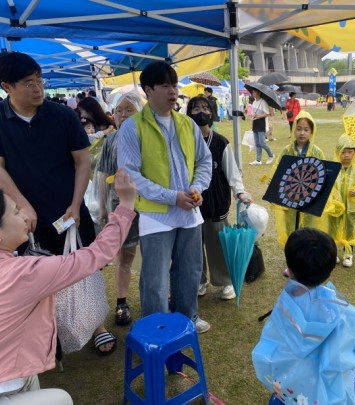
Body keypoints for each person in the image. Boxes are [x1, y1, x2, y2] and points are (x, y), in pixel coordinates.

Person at [0, 51, 116, 355]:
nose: (38, 88)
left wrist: (75, 204)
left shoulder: (62, 115)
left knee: (84, 266)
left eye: (39, 80)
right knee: (33, 274)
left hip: (68, 209)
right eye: (28, 83)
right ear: (7, 86)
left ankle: (97, 324)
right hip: (21, 217)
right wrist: (23, 206)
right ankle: (49, 332)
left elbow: (82, 162)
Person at [0, 168, 136, 404]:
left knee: (32, 381)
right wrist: (125, 204)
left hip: (8, 373)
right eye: (15, 212)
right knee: (61, 399)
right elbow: (97, 254)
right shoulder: (23, 274)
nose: (24, 216)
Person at [117, 61, 212, 333]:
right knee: (155, 280)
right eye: (165, 86)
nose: (173, 91)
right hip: (156, 215)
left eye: (175, 85)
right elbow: (131, 175)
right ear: (148, 90)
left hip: (189, 211)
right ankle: (156, 328)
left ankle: (187, 319)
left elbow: (204, 161)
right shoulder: (133, 127)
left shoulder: (187, 123)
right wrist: (172, 197)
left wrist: (197, 188)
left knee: (189, 271)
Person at [252, 227, 355, 405]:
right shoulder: (341, 310)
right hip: (328, 393)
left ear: (290, 269)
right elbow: (352, 351)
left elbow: (269, 347)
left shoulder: (285, 308)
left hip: (291, 388)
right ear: (330, 270)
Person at [185, 96, 252, 300]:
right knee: (193, 246)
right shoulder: (183, 141)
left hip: (216, 202)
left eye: (205, 108)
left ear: (212, 113)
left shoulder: (221, 142)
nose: (201, 112)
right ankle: (199, 280)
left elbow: (232, 172)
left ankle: (226, 280)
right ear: (188, 113)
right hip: (190, 204)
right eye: (196, 108)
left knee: (218, 243)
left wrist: (240, 191)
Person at [96, 92, 144, 326]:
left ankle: (159, 295)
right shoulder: (111, 140)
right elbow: (103, 175)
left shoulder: (149, 137)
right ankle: (121, 302)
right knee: (124, 257)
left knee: (155, 255)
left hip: (150, 206)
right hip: (122, 207)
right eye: (119, 110)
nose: (123, 114)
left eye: (129, 109)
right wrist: (103, 208)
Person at [271, 111, 325, 246]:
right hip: (290, 197)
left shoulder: (317, 152)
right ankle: (293, 252)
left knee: (309, 228)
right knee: (291, 227)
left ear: (311, 132)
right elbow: (277, 170)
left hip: (310, 197)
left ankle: (307, 252)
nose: (302, 133)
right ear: (294, 129)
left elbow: (323, 174)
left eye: (306, 130)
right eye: (299, 129)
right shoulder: (286, 151)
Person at [328, 134, 355, 268]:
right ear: (338, 152)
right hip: (336, 207)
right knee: (332, 229)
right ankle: (333, 253)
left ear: (354, 153)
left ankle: (348, 254)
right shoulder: (333, 169)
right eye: (343, 152)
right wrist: (333, 195)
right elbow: (327, 186)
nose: (346, 155)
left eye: (349, 152)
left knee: (350, 231)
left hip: (351, 208)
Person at [248, 88, 275, 166]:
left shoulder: (263, 102)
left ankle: (271, 155)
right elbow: (253, 114)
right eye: (253, 92)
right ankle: (258, 160)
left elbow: (267, 113)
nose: (253, 94)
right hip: (255, 124)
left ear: (259, 92)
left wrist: (258, 116)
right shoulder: (254, 102)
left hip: (262, 124)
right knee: (257, 143)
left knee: (262, 143)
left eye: (255, 92)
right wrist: (252, 123)